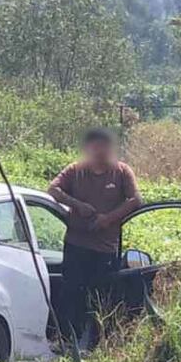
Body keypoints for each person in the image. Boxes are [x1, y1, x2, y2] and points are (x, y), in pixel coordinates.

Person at [48, 127, 142, 349]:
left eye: (105, 145)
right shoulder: (75, 171)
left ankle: (98, 344)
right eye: (96, 145)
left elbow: (135, 200)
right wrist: (78, 205)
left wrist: (108, 219)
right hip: (76, 245)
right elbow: (53, 189)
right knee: (72, 294)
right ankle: (69, 340)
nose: (100, 150)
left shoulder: (121, 172)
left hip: (105, 249)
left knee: (101, 298)